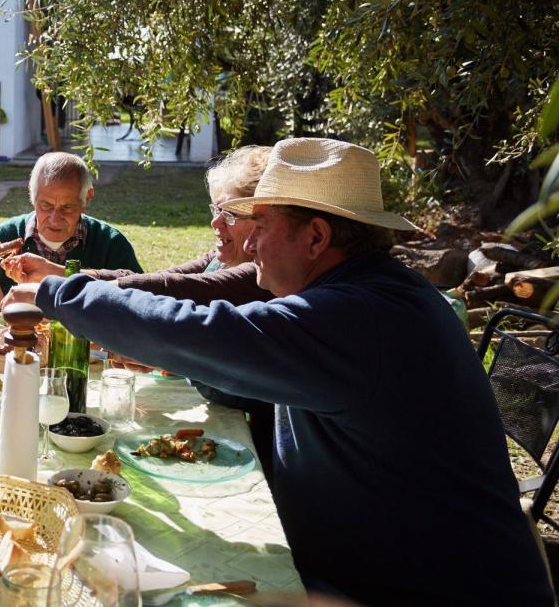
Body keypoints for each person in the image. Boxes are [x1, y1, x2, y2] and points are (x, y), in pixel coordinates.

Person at [33, 138, 555, 606]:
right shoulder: (369, 295)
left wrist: (57, 293)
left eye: (259, 226)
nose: (250, 243)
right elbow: (218, 343)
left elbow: (210, 335)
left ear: (316, 237)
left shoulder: (358, 318)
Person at [2, 145, 278, 475]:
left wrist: (59, 289)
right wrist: (61, 274)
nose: (215, 223)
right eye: (214, 209)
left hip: (259, 445)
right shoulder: (222, 256)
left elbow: (179, 294)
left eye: (230, 215)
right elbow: (159, 280)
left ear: (266, 223)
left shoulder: (263, 275)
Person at [0, 151, 142, 293]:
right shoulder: (1, 240)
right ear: (31, 194)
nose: (54, 219)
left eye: (67, 207)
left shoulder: (111, 245)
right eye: (46, 205)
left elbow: (141, 298)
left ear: (87, 199)